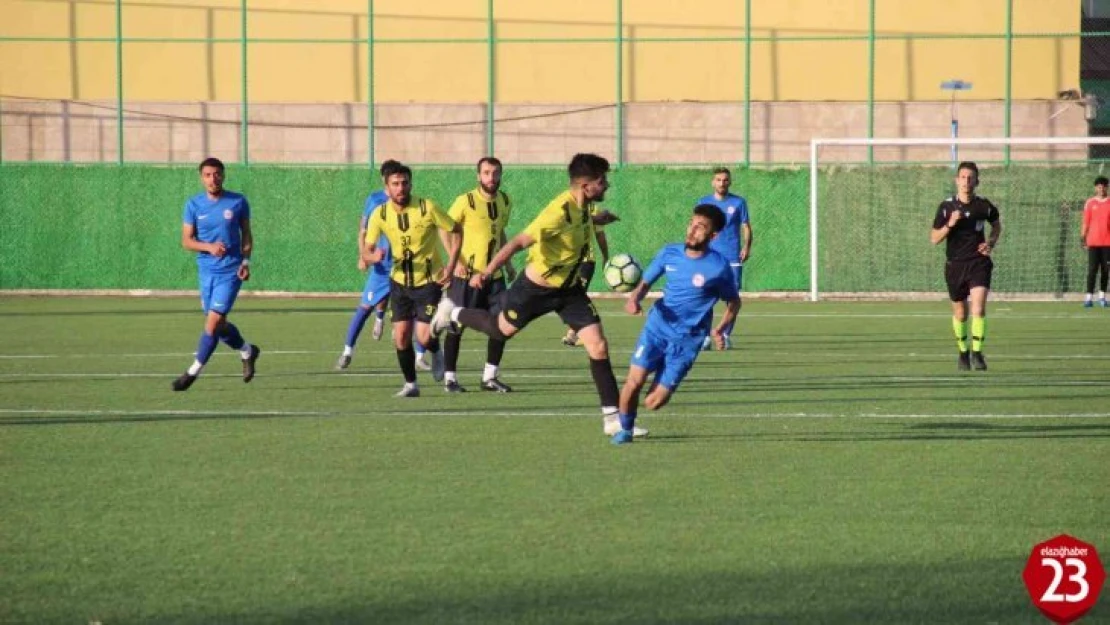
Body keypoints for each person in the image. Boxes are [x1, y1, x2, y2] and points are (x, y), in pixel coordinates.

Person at [432, 153, 645, 437]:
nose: (606, 185)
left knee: (598, 346)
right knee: (499, 330)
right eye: (602, 181)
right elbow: (520, 240)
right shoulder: (557, 212)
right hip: (535, 289)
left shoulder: (584, 206)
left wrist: (599, 218)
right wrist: (488, 270)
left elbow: (582, 222)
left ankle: (612, 419)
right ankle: (451, 312)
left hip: (569, 291)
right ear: (586, 186)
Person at [610, 204, 740, 445]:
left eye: (700, 227)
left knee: (653, 403)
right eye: (691, 223)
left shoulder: (719, 267)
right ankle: (625, 430)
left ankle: (663, 377)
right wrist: (634, 299)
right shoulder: (669, 253)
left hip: (687, 342)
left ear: (713, 236)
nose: (692, 230)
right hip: (656, 329)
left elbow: (734, 303)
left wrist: (721, 329)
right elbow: (645, 283)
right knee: (633, 381)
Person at [363, 160, 461, 397]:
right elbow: (367, 248)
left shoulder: (427, 207)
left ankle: (435, 351)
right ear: (386, 187)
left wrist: (451, 264)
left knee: (423, 335)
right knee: (401, 336)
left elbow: (456, 230)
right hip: (399, 282)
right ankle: (411, 385)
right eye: (395, 184)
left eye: (405, 183)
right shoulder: (380, 214)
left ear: (410, 184)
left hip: (428, 282)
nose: (401, 188)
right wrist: (372, 255)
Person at [172, 157, 261, 391]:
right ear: (202, 178)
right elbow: (187, 241)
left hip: (230, 271)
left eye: (217, 174)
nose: (213, 179)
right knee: (219, 325)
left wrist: (246, 261)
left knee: (211, 324)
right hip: (206, 272)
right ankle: (247, 351)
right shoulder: (193, 205)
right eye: (208, 175)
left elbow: (247, 236)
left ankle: (192, 372)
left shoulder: (238, 202)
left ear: (223, 175)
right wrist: (209, 247)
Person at [442, 157, 516, 392]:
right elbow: (445, 229)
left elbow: (500, 233)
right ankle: (450, 379)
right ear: (478, 176)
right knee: (456, 325)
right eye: (486, 173)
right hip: (466, 277)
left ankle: (489, 377)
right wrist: (456, 263)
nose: (491, 178)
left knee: (502, 324)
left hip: (493, 278)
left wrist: (508, 264)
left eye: (495, 173)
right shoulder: (466, 201)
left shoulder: (505, 200)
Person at [930, 161, 1002, 372]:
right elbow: (934, 238)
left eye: (971, 177)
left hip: (978, 263)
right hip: (955, 266)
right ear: (957, 180)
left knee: (978, 308)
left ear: (977, 181)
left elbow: (997, 225)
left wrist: (990, 243)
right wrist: (950, 224)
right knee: (961, 313)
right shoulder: (946, 207)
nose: (966, 181)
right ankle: (963, 352)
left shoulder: (984, 206)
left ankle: (977, 353)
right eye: (963, 177)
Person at [696, 167, 751, 350]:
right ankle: (705, 337)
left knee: (733, 299)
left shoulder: (738, 202)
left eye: (725, 180)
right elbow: (697, 227)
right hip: (709, 257)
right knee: (705, 297)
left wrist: (746, 246)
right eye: (718, 180)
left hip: (732, 257)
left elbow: (746, 227)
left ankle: (725, 334)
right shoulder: (704, 202)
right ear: (713, 182)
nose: (722, 183)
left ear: (730, 182)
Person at [561, 202, 609, 347]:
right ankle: (576, 332)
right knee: (572, 295)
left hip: (586, 261)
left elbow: (600, 235)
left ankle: (575, 333)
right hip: (570, 260)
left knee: (579, 294)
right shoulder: (566, 207)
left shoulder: (593, 209)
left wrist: (605, 256)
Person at [1081, 176, 1110, 308]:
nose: (1101, 188)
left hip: (1107, 243)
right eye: (1099, 186)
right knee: (1092, 270)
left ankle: (1102, 298)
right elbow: (1086, 222)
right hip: (1093, 242)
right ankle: (1088, 298)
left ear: (1106, 187)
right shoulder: (1090, 203)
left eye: (1103, 186)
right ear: (1095, 188)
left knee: (1105, 270)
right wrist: (1083, 238)